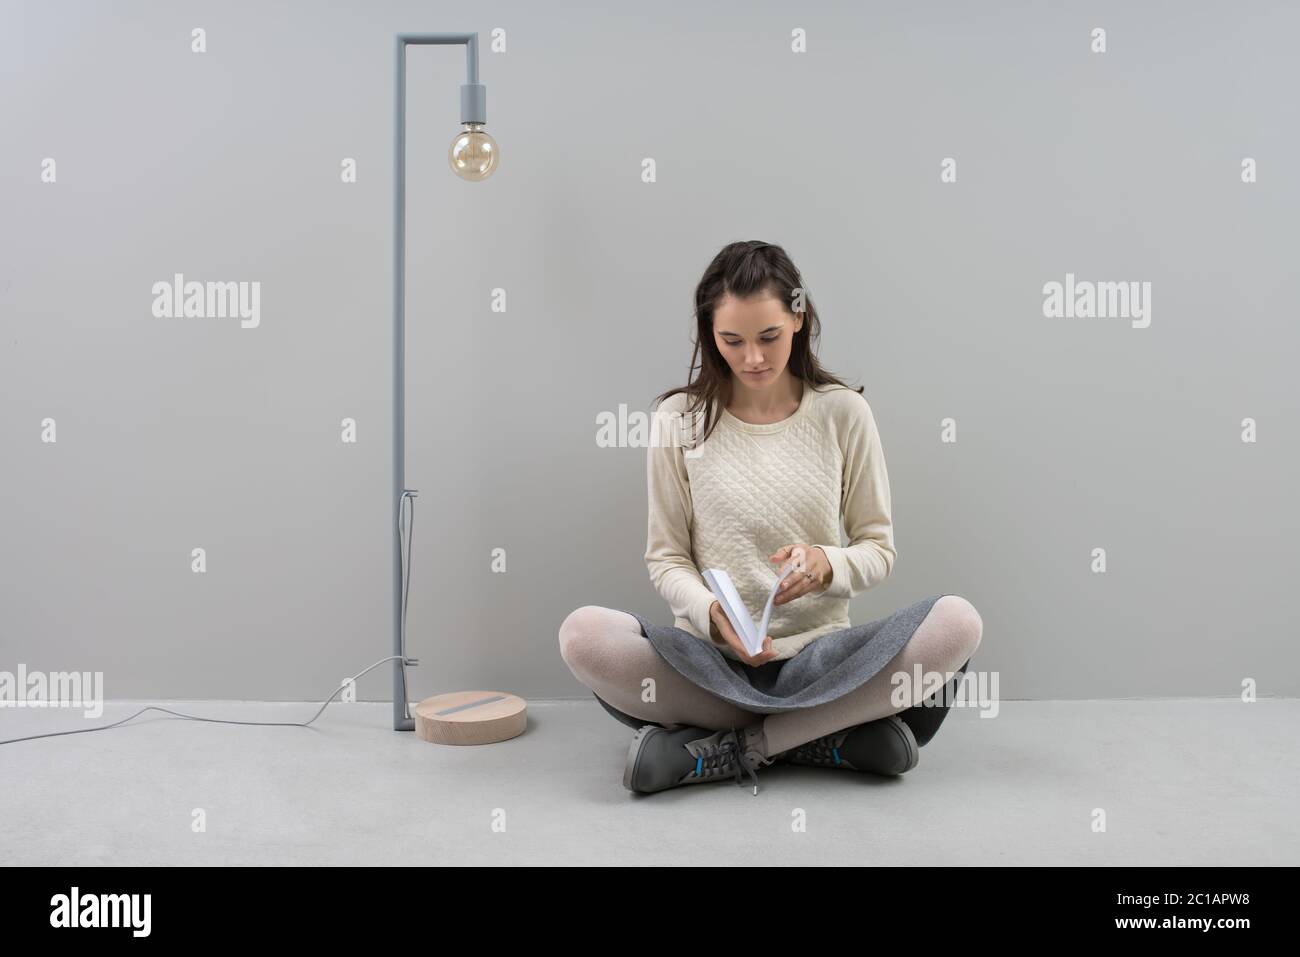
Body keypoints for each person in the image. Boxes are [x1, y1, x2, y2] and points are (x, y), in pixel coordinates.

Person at [558, 240, 983, 796]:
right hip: (712, 665)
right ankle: (823, 737)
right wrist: (713, 615)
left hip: (824, 663)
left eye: (769, 337)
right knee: (584, 636)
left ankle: (745, 746)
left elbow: (878, 548)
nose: (753, 358)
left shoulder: (843, 413)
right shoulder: (677, 420)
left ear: (799, 319)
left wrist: (827, 563)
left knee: (958, 623)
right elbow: (667, 559)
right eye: (732, 340)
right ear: (709, 333)